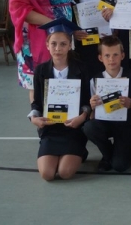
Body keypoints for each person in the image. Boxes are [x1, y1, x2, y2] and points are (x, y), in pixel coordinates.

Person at [28, 18, 91, 181]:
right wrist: (34, 118)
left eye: (63, 44)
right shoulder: (41, 70)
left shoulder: (81, 68)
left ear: (70, 45)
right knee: (47, 174)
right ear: (47, 45)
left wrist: (82, 117)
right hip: (51, 128)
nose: (58, 48)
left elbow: (87, 101)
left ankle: (80, 150)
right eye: (54, 44)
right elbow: (37, 103)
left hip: (73, 127)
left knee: (64, 173)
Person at [83, 36, 131, 172]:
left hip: (127, 125)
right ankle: (107, 154)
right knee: (89, 127)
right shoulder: (95, 80)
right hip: (106, 123)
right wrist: (92, 105)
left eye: (115, 55)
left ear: (122, 55)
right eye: (107, 55)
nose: (111, 59)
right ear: (100, 58)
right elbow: (92, 114)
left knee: (120, 166)